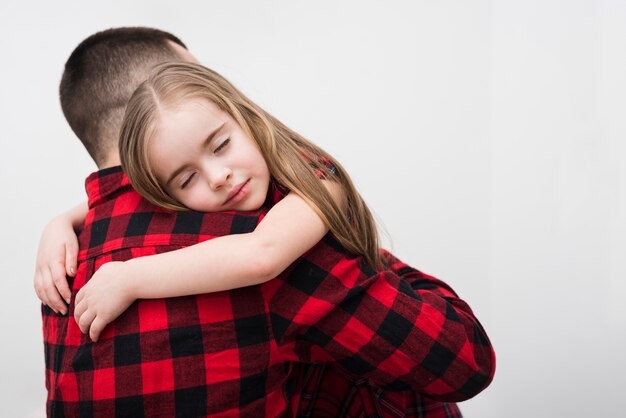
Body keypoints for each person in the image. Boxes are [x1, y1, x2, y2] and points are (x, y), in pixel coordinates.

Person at [36, 27, 491, 417]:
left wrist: (79, 232)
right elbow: (463, 359)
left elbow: (258, 252)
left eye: (220, 143)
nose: (218, 177)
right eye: (187, 175)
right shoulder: (243, 236)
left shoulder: (67, 266)